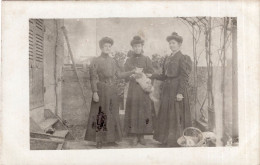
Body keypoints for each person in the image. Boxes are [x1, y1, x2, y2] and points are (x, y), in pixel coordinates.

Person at [84, 37, 136, 149]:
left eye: (109, 46)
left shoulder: (113, 61)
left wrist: (132, 72)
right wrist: (95, 92)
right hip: (101, 90)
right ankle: (99, 140)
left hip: (112, 91)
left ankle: (111, 139)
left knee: (112, 114)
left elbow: (119, 75)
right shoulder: (95, 61)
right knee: (101, 115)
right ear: (101, 47)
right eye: (105, 46)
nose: (107, 48)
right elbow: (93, 78)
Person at [148, 32, 192, 147]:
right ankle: (166, 140)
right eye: (170, 43)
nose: (171, 45)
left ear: (179, 44)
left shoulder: (183, 58)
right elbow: (164, 76)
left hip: (176, 90)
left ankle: (175, 141)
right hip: (167, 91)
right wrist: (151, 75)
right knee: (166, 114)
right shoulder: (167, 58)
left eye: (174, 43)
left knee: (175, 114)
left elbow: (184, 76)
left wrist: (180, 92)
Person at [124, 36, 155, 145]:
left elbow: (151, 73)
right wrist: (131, 75)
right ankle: (134, 135)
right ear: (132, 47)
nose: (137, 48)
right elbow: (125, 75)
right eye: (135, 46)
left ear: (142, 47)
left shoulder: (146, 59)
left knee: (143, 111)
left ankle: (141, 136)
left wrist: (147, 81)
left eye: (139, 46)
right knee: (133, 111)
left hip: (143, 90)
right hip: (133, 89)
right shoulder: (128, 60)